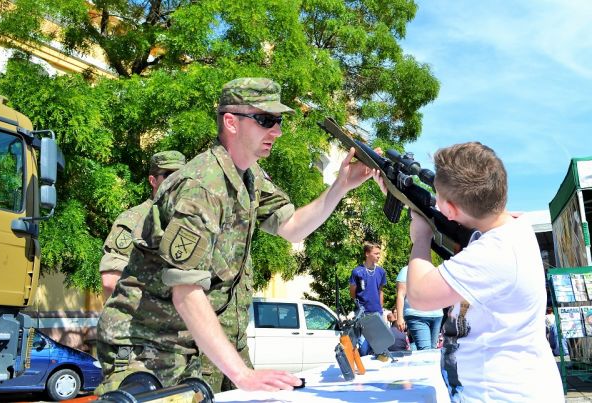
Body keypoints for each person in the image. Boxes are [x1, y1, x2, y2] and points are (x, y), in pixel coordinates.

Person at [96, 77, 376, 394]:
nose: (277, 131)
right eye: (265, 120)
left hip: (184, 341)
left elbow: (293, 226)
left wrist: (341, 185)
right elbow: (185, 290)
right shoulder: (201, 186)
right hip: (145, 345)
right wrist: (242, 375)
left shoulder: (250, 175)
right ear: (231, 122)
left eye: (279, 121)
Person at [405, 142, 564, 401]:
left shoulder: (494, 252)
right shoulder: (513, 228)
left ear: (450, 209)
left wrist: (421, 237)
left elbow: (420, 296)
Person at [98, 151, 186, 300]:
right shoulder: (133, 219)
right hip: (146, 313)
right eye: (168, 175)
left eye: (181, 175)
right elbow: (111, 281)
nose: (176, 180)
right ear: (153, 181)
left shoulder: (191, 219)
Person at [395, 265, 443, 350]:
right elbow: (400, 295)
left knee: (433, 351)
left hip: (437, 315)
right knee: (425, 350)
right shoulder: (406, 270)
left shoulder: (433, 269)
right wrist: (399, 317)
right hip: (417, 316)